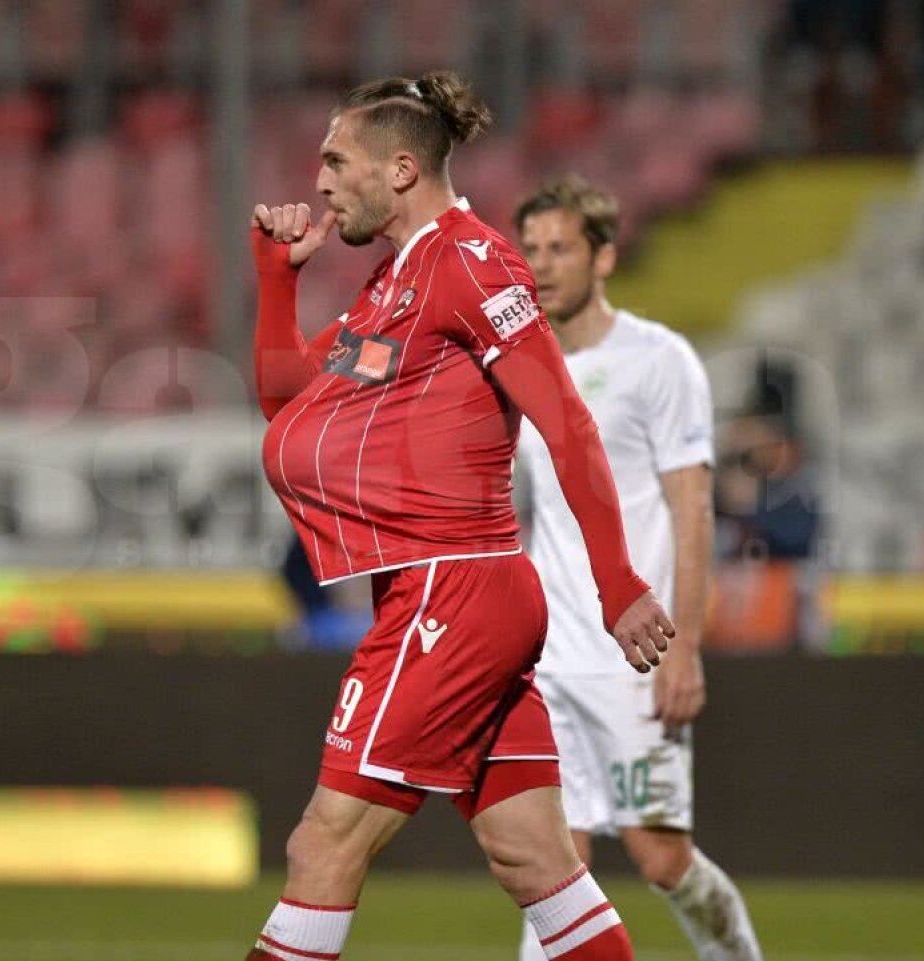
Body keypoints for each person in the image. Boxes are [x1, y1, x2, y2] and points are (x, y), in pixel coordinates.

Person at [246, 71, 675, 961]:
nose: (319, 182)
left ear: (401, 170)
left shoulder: (473, 264)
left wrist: (618, 582)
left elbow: (567, 422)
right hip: (447, 594)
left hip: (453, 590)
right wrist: (276, 283)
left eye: (336, 161)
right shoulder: (395, 280)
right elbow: (285, 397)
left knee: (323, 842)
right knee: (533, 858)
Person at [512, 175, 763, 961]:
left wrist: (685, 645)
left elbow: (693, 509)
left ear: (605, 257)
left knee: (661, 858)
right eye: (531, 249)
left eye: (560, 248)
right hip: (549, 657)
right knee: (550, 864)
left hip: (635, 655)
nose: (542, 264)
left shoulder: (659, 360)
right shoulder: (520, 366)